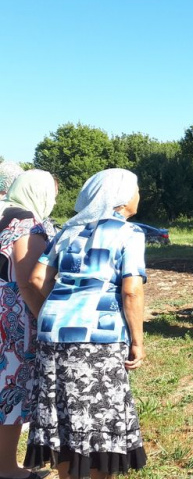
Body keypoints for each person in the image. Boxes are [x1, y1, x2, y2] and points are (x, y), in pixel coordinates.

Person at [24, 168, 147, 478]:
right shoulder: (129, 233)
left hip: (53, 332)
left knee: (61, 414)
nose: (139, 195)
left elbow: (37, 278)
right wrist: (137, 342)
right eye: (136, 189)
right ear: (121, 197)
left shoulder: (67, 231)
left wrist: (62, 309)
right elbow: (131, 290)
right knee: (100, 415)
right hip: (99, 335)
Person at [0, 170, 57, 479]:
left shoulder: (3, 214)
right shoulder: (26, 222)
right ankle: (7, 469)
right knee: (10, 389)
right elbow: (27, 280)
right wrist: (45, 319)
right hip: (13, 318)